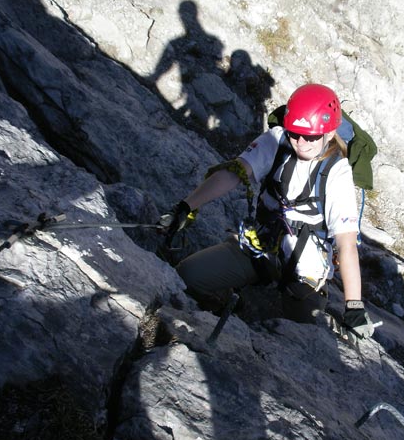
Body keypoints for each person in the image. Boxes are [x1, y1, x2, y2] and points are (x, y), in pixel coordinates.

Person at [159, 84, 375, 339]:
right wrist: (187, 207)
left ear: (329, 133)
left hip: (305, 271)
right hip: (258, 247)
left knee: (303, 338)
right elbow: (234, 173)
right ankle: (226, 302)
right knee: (188, 275)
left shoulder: (337, 172)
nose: (301, 143)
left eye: (311, 137)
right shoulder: (277, 140)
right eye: (295, 133)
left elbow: (346, 243)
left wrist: (354, 305)